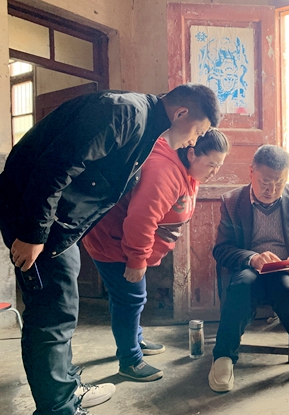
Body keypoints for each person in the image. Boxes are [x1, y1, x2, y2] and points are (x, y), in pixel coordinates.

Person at [0, 84, 220, 415]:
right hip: (34, 218)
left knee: (64, 311)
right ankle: (58, 411)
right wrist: (32, 233)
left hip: (59, 225)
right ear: (181, 113)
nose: (193, 141)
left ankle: (67, 389)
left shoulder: (147, 126)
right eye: (198, 131)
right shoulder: (124, 113)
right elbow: (55, 165)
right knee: (51, 315)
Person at [81, 129, 230, 381]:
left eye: (219, 166)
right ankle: (130, 361)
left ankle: (134, 339)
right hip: (116, 242)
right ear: (192, 154)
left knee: (126, 297)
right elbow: (141, 221)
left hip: (127, 243)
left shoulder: (186, 169)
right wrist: (137, 259)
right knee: (130, 298)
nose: (215, 172)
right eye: (211, 164)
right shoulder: (163, 172)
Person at [208, 145, 289, 392]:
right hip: (250, 269)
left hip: (286, 270)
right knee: (242, 285)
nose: (271, 190)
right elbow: (222, 249)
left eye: (279, 183)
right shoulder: (232, 201)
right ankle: (224, 356)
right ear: (251, 172)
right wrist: (252, 258)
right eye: (265, 182)